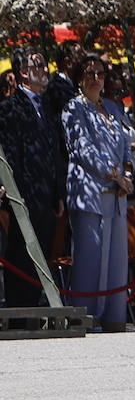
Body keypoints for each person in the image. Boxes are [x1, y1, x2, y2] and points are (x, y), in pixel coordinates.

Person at [62, 55, 134, 332]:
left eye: (100, 74)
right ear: (80, 78)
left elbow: (127, 146)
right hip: (89, 192)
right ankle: (86, 318)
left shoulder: (115, 108)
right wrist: (113, 174)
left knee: (116, 260)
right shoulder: (73, 108)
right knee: (90, 259)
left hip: (117, 195)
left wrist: (127, 175)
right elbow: (82, 149)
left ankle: (114, 317)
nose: (95, 79)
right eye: (89, 74)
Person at [0, 45, 66, 307]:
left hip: (47, 194)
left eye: (44, 64)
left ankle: (35, 305)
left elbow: (55, 151)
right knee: (21, 253)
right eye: (38, 65)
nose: (44, 70)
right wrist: (14, 191)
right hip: (23, 194)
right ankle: (20, 308)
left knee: (43, 251)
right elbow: (11, 153)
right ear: (24, 73)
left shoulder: (48, 107)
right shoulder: (10, 108)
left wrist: (58, 192)